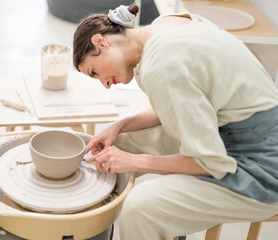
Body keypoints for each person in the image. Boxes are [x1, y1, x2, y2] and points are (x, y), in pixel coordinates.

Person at [73, 4, 278, 240]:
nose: (104, 84)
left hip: (263, 168)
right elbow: (181, 102)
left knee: (139, 209)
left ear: (101, 42)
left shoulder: (160, 63)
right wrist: (120, 126)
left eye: (94, 72)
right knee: (120, 143)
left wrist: (133, 161)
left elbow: (209, 161)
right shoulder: (169, 23)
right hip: (238, 128)